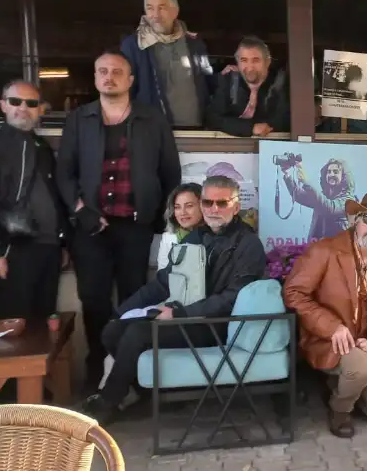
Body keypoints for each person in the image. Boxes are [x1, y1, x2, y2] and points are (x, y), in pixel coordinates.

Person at [79, 175, 266, 423]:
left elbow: (232, 298)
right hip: (189, 317)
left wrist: (179, 314)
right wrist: (121, 311)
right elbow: (164, 281)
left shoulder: (248, 244)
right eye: (207, 202)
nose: (213, 209)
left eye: (221, 203)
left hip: (217, 324)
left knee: (138, 333)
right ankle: (150, 395)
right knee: (112, 331)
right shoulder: (197, 236)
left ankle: (107, 402)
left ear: (236, 206)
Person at [57, 50, 182, 386]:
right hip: (89, 228)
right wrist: (80, 211)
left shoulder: (152, 119)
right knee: (94, 300)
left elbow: (170, 172)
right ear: (95, 78)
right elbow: (64, 173)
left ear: (130, 79)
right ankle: (96, 371)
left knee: (133, 299)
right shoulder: (79, 119)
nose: (109, 77)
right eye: (102, 71)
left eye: (116, 72)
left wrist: (157, 218)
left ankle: (129, 374)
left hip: (135, 227)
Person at [283, 191, 367, 438]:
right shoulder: (324, 251)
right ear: (354, 220)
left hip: (366, 345)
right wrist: (332, 327)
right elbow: (294, 293)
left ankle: (341, 385)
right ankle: (339, 409)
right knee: (360, 369)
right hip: (328, 340)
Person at [0, 81, 71, 322]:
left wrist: (62, 243)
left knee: (45, 323)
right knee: (14, 325)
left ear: (40, 109)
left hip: (49, 249)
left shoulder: (42, 147)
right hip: (12, 249)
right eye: (15, 101)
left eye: (31, 103)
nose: (23, 108)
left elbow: (55, 197)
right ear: (3, 105)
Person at [120, 0, 213, 127]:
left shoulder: (195, 43)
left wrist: (229, 74)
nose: (155, 15)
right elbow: (125, 93)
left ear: (175, 11)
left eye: (162, 7)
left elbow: (209, 81)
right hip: (152, 131)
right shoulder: (133, 45)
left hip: (196, 130)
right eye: (150, 8)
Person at [206, 36, 289, 137]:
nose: (250, 67)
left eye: (256, 60)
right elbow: (212, 118)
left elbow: (281, 121)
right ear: (238, 63)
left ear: (267, 62)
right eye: (244, 60)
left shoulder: (279, 83)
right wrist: (250, 128)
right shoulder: (229, 81)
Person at [282, 158, 357, 242]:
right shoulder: (323, 197)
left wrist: (307, 182)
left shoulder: (349, 200)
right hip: (318, 246)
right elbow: (299, 196)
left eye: (336, 172)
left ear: (344, 177)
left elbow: (329, 208)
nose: (331, 174)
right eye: (328, 172)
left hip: (337, 248)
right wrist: (287, 174)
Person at [156, 183, 203, 270]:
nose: (183, 212)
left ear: (203, 206)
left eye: (189, 206)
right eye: (177, 207)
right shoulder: (168, 238)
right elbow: (162, 272)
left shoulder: (214, 237)